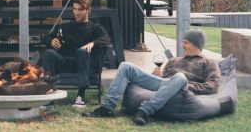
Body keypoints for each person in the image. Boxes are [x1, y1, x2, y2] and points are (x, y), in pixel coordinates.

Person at [84, 29, 220, 125]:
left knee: (179, 77)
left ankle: (144, 111)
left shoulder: (209, 62)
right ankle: (107, 108)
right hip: (163, 83)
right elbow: (164, 78)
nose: (182, 45)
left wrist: (187, 86)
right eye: (183, 42)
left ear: (197, 44)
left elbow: (213, 86)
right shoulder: (175, 60)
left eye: (186, 42)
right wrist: (156, 74)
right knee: (126, 66)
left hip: (183, 86)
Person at [38, 0, 110, 109]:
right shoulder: (65, 27)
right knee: (49, 53)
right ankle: (49, 95)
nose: (76, 13)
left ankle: (80, 96)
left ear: (88, 10)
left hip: (84, 65)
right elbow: (45, 38)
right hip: (65, 63)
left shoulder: (95, 28)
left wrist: (93, 43)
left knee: (81, 52)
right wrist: (51, 40)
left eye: (80, 9)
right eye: (74, 9)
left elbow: (106, 39)